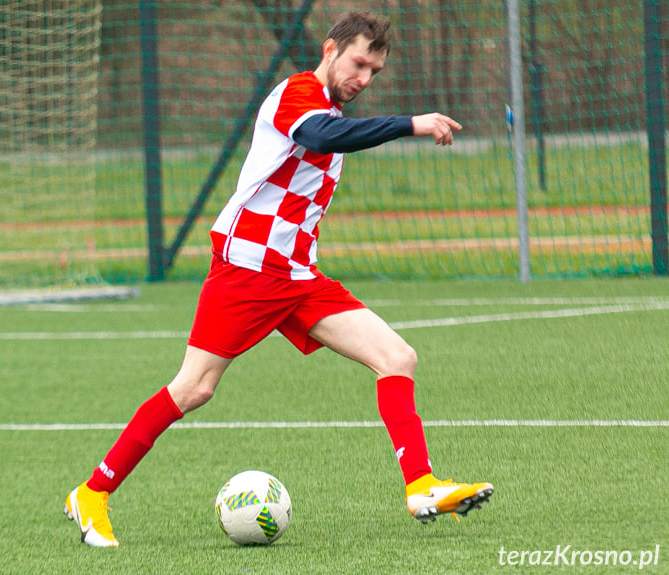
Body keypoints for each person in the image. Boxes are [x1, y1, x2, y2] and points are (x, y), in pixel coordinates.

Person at [64, 11, 493, 547]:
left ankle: (422, 486)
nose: (364, 78)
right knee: (195, 387)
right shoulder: (297, 94)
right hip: (246, 270)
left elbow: (332, 134)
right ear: (331, 48)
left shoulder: (332, 106)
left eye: (375, 71)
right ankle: (93, 492)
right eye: (359, 63)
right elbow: (325, 135)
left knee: (397, 357)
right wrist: (410, 123)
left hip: (296, 277)